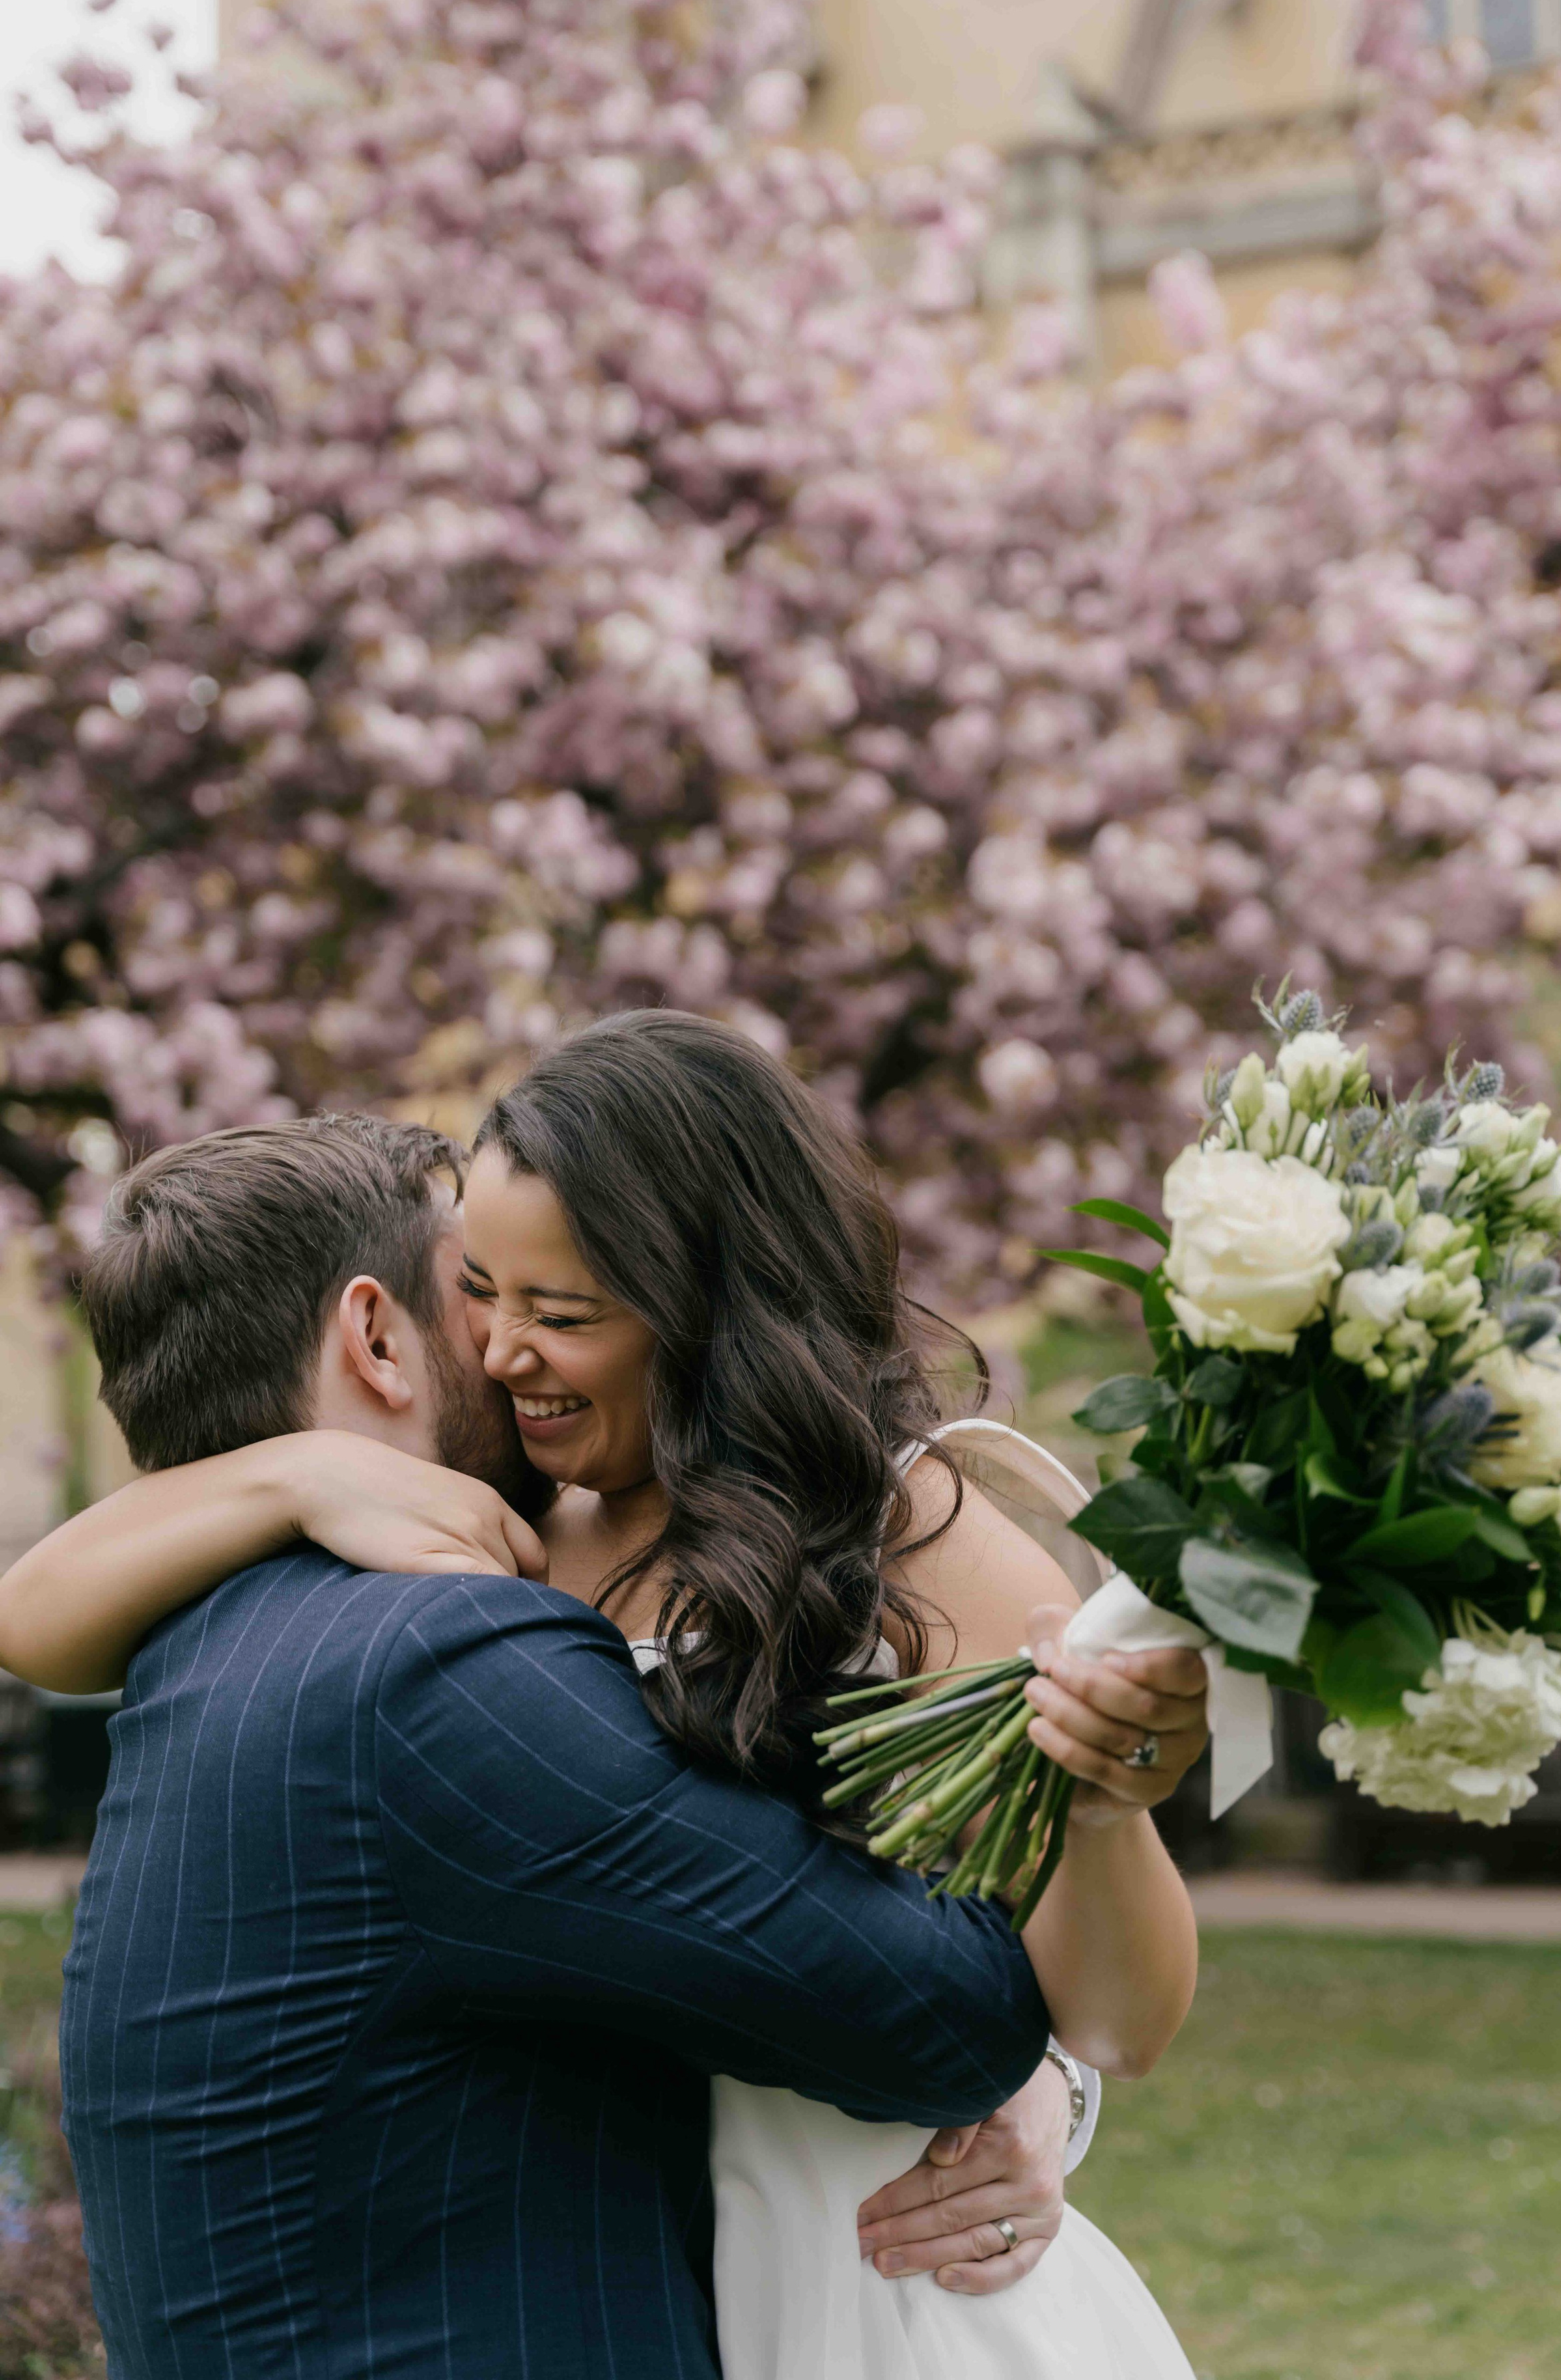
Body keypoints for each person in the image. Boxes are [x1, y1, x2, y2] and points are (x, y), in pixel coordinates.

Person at [3, 1017, 1208, 2378]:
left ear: (692, 1304)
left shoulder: (909, 1530)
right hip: (654, 2256)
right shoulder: (508, 1521)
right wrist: (284, 1475)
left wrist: (1049, 2041)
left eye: (556, 1312)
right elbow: (35, 1616)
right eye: (482, 1294)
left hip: (868, 2266)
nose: (506, 1351)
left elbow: (1115, 2015)